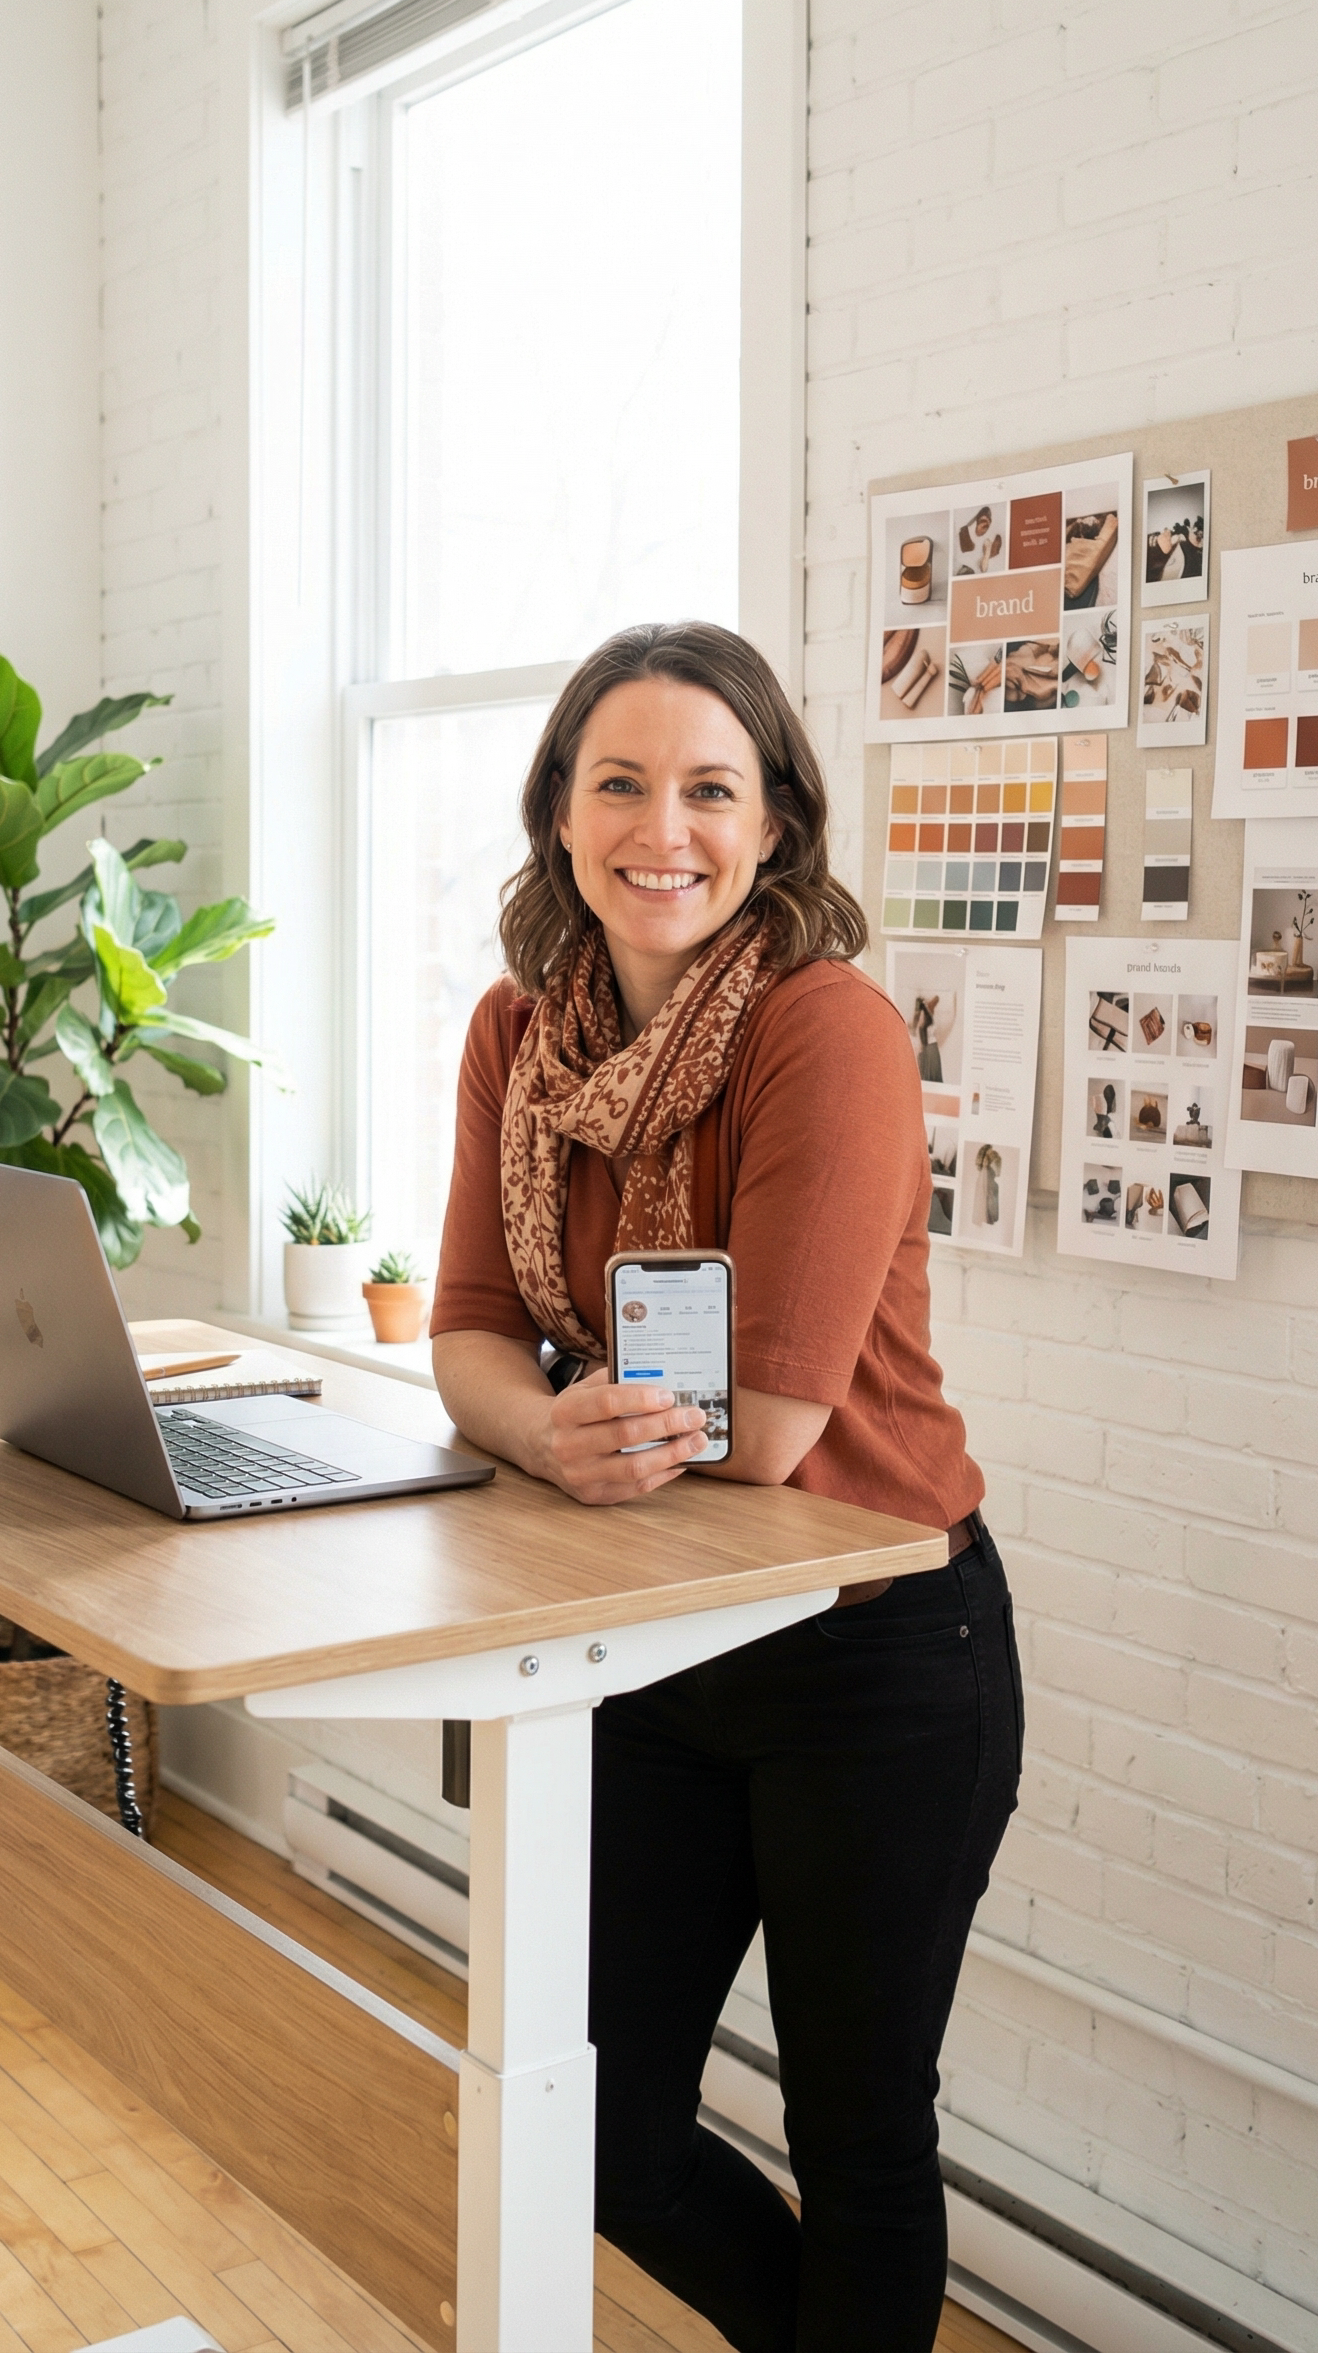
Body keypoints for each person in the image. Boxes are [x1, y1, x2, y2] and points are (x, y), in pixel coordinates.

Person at [431, 622, 1022, 2353]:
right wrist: (540, 1432)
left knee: (856, 2143)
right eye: (619, 783)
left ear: (775, 827)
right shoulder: (514, 1038)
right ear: (559, 813)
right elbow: (466, 1331)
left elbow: (761, 1430)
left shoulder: (820, 1029)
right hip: (650, 1639)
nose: (662, 828)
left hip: (874, 1651)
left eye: (711, 788)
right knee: (599, 2130)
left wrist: (549, 1424)